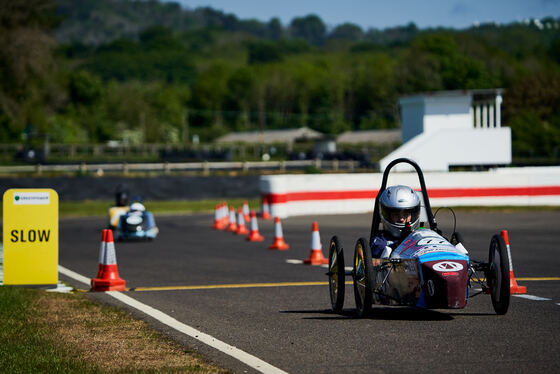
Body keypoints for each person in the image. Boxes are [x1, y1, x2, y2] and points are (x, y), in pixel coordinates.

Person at [371, 185, 421, 258]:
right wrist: (397, 245)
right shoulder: (380, 240)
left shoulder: (420, 235)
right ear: (387, 215)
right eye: (396, 214)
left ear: (413, 215)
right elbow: (376, 256)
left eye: (406, 214)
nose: (401, 219)